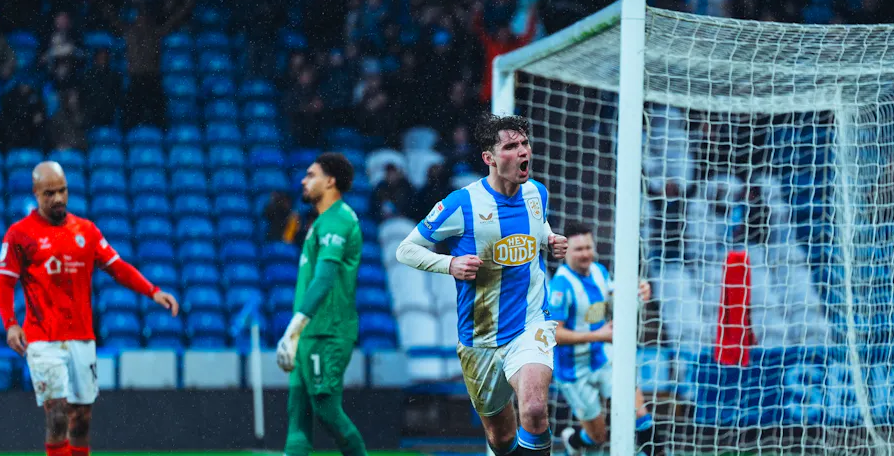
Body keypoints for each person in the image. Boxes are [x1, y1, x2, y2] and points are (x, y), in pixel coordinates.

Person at [396, 114, 569, 455]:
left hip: (530, 323)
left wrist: (549, 238)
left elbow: (539, 221)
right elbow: (405, 249)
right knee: (501, 438)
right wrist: (450, 264)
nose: (523, 152)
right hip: (480, 338)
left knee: (534, 411)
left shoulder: (537, 192)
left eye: (524, 144)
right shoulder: (462, 204)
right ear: (489, 158)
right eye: (511, 146)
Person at [0, 162, 179, 456]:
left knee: (81, 419)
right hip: (42, 339)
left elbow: (118, 268)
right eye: (49, 193)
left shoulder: (86, 231)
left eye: (62, 191)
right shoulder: (20, 234)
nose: (57, 198)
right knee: (56, 414)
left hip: (82, 337)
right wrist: (10, 324)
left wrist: (153, 291)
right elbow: (4, 284)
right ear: (36, 194)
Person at [275, 153, 368, 456]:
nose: (304, 180)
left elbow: (325, 278)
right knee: (296, 413)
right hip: (310, 332)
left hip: (328, 331)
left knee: (325, 409)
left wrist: (293, 328)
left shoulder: (339, 220)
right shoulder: (320, 222)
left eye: (311, 174)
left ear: (330, 181)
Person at [549, 221, 659, 456]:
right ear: (565, 251)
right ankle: (575, 442)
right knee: (598, 438)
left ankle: (653, 451)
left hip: (603, 356)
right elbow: (554, 334)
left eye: (588, 247)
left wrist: (640, 290)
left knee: (640, 414)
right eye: (579, 249)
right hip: (574, 370)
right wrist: (597, 335)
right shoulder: (560, 287)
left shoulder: (599, 271)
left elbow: (614, 293)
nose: (586, 253)